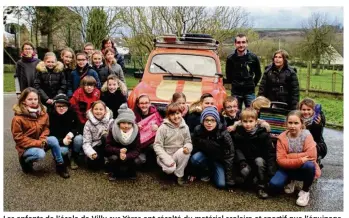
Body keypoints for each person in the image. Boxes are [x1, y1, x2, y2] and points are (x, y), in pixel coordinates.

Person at [11, 87, 69, 178]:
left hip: (40, 141)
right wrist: (39, 143)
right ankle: (25, 161)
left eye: (35, 99)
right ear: (23, 100)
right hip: (25, 147)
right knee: (40, 154)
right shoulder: (17, 118)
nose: (33, 101)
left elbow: (46, 128)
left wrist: (42, 139)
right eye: (30, 99)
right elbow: (18, 138)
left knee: (53, 139)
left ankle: (60, 165)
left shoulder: (43, 113)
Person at [269, 110, 321, 207]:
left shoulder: (307, 135)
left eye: (296, 123)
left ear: (301, 123)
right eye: (290, 123)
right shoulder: (282, 137)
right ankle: (290, 180)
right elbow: (280, 160)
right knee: (274, 186)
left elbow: (311, 155)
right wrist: (300, 159)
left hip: (302, 168)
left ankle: (305, 191)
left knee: (309, 165)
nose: (292, 126)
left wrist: (289, 156)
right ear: (286, 123)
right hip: (288, 168)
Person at [231, 108, 276, 199]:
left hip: (260, 162)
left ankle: (261, 187)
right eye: (245, 121)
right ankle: (252, 182)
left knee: (259, 161)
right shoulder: (238, 133)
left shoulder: (263, 134)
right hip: (246, 162)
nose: (248, 124)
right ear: (241, 122)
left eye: (251, 121)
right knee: (244, 173)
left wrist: (271, 172)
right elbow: (236, 149)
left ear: (256, 121)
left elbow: (270, 153)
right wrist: (242, 161)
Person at [189, 107, 235, 191]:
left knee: (221, 184)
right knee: (195, 158)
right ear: (202, 121)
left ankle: (213, 171)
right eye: (207, 120)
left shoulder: (224, 133)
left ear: (217, 121)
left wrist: (230, 182)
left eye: (212, 120)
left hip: (218, 159)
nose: (209, 123)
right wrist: (192, 172)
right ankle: (205, 171)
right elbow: (193, 149)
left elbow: (229, 156)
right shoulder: (198, 130)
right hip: (204, 156)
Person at [153, 103, 192, 186]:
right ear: (168, 116)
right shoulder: (163, 128)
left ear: (181, 114)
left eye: (178, 113)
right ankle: (166, 174)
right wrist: (167, 159)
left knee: (184, 152)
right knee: (170, 169)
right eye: (172, 114)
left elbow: (188, 141)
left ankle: (179, 176)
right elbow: (157, 145)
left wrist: (187, 147)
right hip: (165, 155)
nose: (176, 117)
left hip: (177, 155)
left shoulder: (185, 127)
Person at [225, 33, 262, 110]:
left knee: (251, 113)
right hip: (236, 91)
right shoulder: (230, 59)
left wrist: (252, 84)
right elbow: (229, 75)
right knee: (235, 112)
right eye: (238, 42)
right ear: (235, 44)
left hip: (249, 91)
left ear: (247, 43)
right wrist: (235, 84)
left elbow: (258, 74)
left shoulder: (253, 58)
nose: (241, 45)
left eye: (243, 42)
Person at [105, 103, 140, 180]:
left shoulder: (136, 132)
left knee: (138, 160)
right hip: (116, 154)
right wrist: (119, 151)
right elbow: (107, 147)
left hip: (129, 155)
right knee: (113, 158)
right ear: (119, 123)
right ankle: (113, 172)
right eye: (123, 123)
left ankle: (131, 172)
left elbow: (137, 149)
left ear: (132, 124)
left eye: (129, 123)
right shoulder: (113, 131)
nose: (126, 126)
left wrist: (127, 156)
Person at [48, 94, 83, 170]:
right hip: (60, 140)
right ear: (54, 106)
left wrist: (72, 133)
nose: (61, 108)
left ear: (68, 106)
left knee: (79, 138)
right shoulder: (50, 116)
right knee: (63, 151)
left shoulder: (72, 113)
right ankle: (65, 156)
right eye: (59, 106)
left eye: (64, 106)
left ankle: (74, 157)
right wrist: (62, 141)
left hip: (71, 138)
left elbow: (79, 127)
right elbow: (50, 135)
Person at [83, 101, 113, 170]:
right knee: (93, 166)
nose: (98, 111)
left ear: (105, 111)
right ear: (92, 110)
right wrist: (91, 153)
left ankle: (109, 158)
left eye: (101, 109)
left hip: (108, 146)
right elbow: (86, 142)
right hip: (95, 145)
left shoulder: (111, 121)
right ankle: (100, 159)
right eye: (96, 109)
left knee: (105, 136)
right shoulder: (88, 123)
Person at [133, 94, 162, 166]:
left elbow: (163, 125)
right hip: (137, 143)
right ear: (138, 104)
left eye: (146, 103)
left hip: (150, 143)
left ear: (149, 104)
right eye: (141, 103)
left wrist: (158, 126)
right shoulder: (133, 114)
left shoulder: (155, 114)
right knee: (138, 161)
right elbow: (127, 125)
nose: (144, 105)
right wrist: (135, 126)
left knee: (153, 148)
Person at [299, 98, 327, 169]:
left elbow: (317, 138)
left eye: (309, 110)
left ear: (313, 110)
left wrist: (317, 126)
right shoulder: (297, 118)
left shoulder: (317, 120)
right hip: (301, 143)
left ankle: (314, 165)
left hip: (316, 143)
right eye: (303, 109)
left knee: (312, 149)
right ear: (300, 110)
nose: (306, 112)